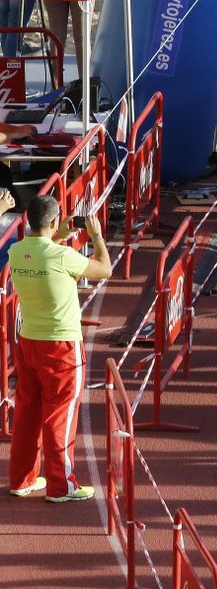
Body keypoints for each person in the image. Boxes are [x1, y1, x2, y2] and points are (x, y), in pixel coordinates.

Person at [4, 196, 111, 501]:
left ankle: (22, 479)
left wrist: (59, 235)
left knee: (27, 412)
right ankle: (61, 485)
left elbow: (44, 256)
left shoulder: (17, 251)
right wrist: (97, 236)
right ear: (53, 222)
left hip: (29, 341)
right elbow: (104, 269)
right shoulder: (61, 256)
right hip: (61, 345)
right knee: (60, 415)